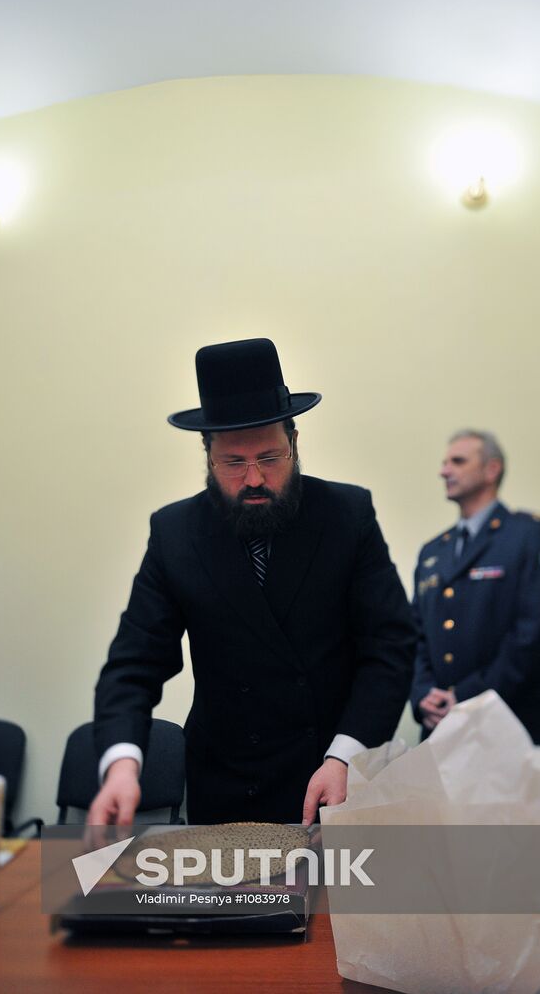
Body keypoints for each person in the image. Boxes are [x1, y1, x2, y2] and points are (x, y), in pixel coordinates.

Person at [89, 338, 416, 827]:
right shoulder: (175, 533)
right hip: (226, 786)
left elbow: (391, 645)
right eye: (234, 463)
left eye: (270, 457)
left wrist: (346, 754)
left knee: (331, 904)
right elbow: (132, 664)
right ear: (207, 455)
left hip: (332, 778)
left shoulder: (347, 516)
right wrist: (121, 764)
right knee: (236, 904)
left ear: (295, 443)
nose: (255, 478)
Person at [411, 429, 540, 747]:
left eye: (457, 461)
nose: (444, 471)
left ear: (491, 470)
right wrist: (422, 693)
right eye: (444, 463)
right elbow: (415, 635)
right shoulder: (433, 552)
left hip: (515, 726)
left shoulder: (532, 534)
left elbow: (538, 635)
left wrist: (468, 696)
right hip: (444, 732)